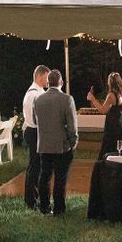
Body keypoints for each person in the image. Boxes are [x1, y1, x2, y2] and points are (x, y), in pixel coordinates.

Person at [34, 70, 78, 216]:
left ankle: (44, 207)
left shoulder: (38, 99)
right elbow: (72, 124)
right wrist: (73, 142)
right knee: (60, 178)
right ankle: (59, 209)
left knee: (44, 176)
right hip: (61, 146)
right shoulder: (67, 99)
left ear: (48, 82)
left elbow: (35, 121)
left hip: (44, 145)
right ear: (61, 82)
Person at [22, 65, 50, 209]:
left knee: (35, 166)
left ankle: (33, 198)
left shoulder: (37, 92)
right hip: (34, 132)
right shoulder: (35, 94)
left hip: (33, 131)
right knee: (34, 167)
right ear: (39, 76)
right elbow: (35, 118)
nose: (48, 80)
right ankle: (31, 200)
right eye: (46, 77)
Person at [89, 72, 122, 160]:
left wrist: (93, 99)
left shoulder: (111, 95)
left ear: (110, 83)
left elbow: (103, 110)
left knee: (110, 146)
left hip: (113, 123)